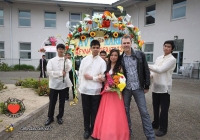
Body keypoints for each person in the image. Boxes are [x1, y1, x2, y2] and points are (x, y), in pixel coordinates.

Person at [120, 35, 155, 140]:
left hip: (138, 88)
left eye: (127, 42)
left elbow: (146, 70)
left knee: (144, 112)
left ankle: (150, 136)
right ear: (121, 45)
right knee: (125, 111)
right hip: (126, 89)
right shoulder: (120, 58)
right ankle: (128, 133)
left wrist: (147, 85)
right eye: (124, 43)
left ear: (131, 43)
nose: (126, 45)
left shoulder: (140, 55)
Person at [92, 49, 130, 140]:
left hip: (115, 94)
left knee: (115, 114)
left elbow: (122, 82)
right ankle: (103, 133)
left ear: (118, 57)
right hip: (106, 93)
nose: (113, 57)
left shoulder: (120, 67)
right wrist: (102, 78)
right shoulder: (107, 66)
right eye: (112, 55)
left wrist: (112, 89)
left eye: (115, 55)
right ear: (109, 56)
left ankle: (117, 135)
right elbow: (106, 79)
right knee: (105, 114)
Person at [78, 40, 106, 139]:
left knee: (95, 111)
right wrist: (80, 86)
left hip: (96, 90)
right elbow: (80, 74)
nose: (95, 49)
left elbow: (103, 77)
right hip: (85, 89)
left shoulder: (102, 62)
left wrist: (92, 78)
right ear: (90, 48)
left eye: (97, 47)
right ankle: (86, 129)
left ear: (99, 48)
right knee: (86, 111)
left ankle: (94, 130)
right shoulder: (85, 60)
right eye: (93, 47)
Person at [148, 40, 176, 137]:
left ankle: (163, 128)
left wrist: (146, 65)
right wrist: (149, 76)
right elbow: (155, 71)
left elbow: (160, 70)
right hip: (156, 86)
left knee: (164, 110)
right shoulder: (159, 58)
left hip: (164, 88)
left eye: (169, 47)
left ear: (172, 49)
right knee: (155, 107)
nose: (166, 48)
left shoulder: (172, 59)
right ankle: (156, 123)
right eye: (165, 46)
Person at [45, 44, 72, 126]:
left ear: (64, 50)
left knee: (62, 102)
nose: (61, 50)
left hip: (63, 85)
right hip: (53, 85)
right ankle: (50, 117)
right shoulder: (51, 61)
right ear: (57, 50)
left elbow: (68, 69)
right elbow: (49, 72)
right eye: (59, 49)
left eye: (62, 49)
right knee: (52, 102)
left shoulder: (67, 61)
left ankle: (60, 116)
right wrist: (60, 73)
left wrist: (66, 61)